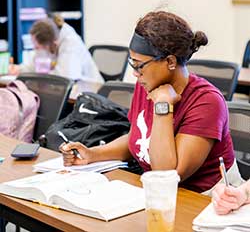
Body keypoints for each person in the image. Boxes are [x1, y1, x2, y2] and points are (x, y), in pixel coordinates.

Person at [60, 11, 242, 193]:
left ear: (170, 61)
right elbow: (138, 139)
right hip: (158, 194)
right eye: (133, 64)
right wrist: (92, 155)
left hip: (209, 201)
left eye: (139, 66)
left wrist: (163, 106)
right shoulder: (147, 84)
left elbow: (167, 175)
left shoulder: (207, 102)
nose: (135, 73)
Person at [9, 15, 104, 83]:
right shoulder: (49, 41)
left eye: (37, 47)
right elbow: (35, 65)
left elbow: (66, 77)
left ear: (52, 43)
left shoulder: (71, 43)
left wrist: (39, 76)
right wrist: (19, 69)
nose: (35, 49)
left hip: (90, 90)